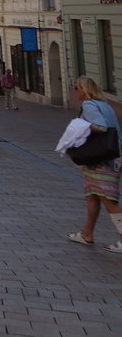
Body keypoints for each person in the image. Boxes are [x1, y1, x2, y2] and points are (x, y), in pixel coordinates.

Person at [67, 76, 122, 252]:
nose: (76, 91)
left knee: (108, 198)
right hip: (109, 156)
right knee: (92, 195)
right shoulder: (105, 104)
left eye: (77, 88)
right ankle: (87, 233)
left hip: (101, 159)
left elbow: (101, 126)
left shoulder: (89, 105)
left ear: (84, 89)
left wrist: (81, 127)